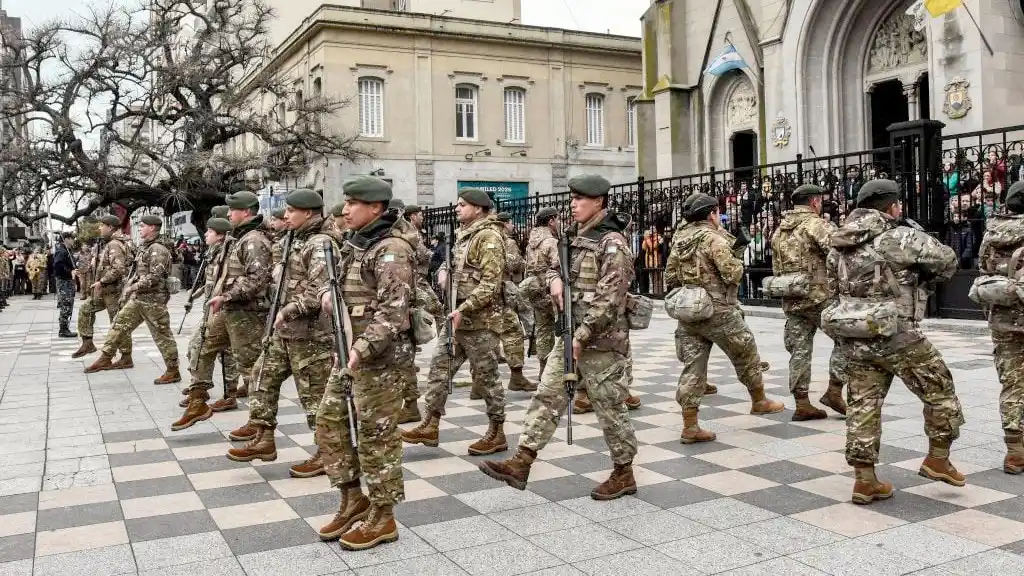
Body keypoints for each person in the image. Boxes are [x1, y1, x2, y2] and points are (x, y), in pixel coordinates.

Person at [477, 174, 639, 499]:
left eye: (580, 199)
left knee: (609, 407)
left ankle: (624, 472)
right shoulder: (572, 236)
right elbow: (556, 267)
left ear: (599, 202)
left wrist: (583, 334)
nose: (573, 204)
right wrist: (554, 279)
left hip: (601, 341)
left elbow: (611, 298)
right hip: (570, 333)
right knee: (548, 394)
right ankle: (522, 461)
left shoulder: (612, 243)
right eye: (572, 198)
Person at [827, 179, 965, 504]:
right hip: (898, 334)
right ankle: (938, 458)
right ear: (891, 206)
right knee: (940, 390)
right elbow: (948, 261)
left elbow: (833, 285)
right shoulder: (901, 236)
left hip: (857, 334)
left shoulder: (840, 243)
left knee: (863, 403)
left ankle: (865, 480)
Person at [316, 176, 415, 550]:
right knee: (330, 422)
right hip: (350, 355)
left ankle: (383, 516)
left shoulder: (391, 250)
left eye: (353, 203)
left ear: (375, 207)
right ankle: (352, 498)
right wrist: (328, 296)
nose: (345, 210)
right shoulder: (356, 245)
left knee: (376, 436)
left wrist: (360, 348)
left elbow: (393, 312)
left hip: (380, 360)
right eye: (346, 202)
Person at [226, 189, 344, 479]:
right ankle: (264, 438)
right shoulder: (293, 238)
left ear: (308, 213)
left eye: (291, 211)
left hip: (311, 335)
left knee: (315, 399)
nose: (285, 215)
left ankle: (328, 454)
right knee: (260, 377)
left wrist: (289, 310)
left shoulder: (320, 243)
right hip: (285, 331)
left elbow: (320, 291)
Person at [665, 193, 785, 444]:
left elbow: (670, 277)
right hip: (719, 310)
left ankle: (690, 425)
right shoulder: (714, 239)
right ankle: (759, 401)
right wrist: (736, 258)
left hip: (690, 311)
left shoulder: (680, 240)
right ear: (712, 214)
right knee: (746, 352)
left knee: (693, 368)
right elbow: (732, 274)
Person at [401, 188, 508, 455]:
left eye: (463, 205)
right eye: (457, 204)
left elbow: (491, 285)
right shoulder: (463, 234)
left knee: (487, 377)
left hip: (480, 321)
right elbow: (456, 266)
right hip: (456, 318)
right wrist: (443, 271)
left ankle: (497, 432)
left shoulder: (489, 237)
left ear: (479, 209)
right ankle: (430, 423)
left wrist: (465, 308)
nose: (457, 208)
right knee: (439, 368)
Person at [768, 184, 847, 420]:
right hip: (819, 296)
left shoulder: (780, 230)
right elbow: (838, 255)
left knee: (799, 350)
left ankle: (802, 403)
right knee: (847, 338)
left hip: (792, 296)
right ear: (814, 202)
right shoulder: (816, 225)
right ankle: (834, 391)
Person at [85, 215, 180, 384]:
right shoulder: (145, 247)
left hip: (154, 301)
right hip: (139, 299)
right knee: (119, 324)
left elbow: (155, 277)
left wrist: (133, 287)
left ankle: (173, 370)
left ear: (152, 228)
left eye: (143, 226)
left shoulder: (158, 249)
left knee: (162, 335)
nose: (140, 228)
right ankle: (106, 357)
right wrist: (131, 285)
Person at [976, 180, 1024, 474]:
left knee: (1012, 384)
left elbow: (983, 270)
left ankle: (1015, 452)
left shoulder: (992, 233)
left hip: (1004, 317)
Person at [72, 215, 133, 365]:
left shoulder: (115, 244)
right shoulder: (110, 244)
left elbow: (118, 269)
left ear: (110, 227)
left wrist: (102, 281)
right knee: (86, 309)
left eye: (102, 225)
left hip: (114, 292)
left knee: (118, 323)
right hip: (105, 291)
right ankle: (88, 343)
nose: (100, 228)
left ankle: (126, 356)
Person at [495, 212, 535, 393]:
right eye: (511, 222)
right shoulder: (506, 241)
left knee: (481, 338)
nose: (513, 226)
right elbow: (513, 265)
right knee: (513, 331)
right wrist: (520, 261)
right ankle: (517, 377)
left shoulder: (472, 237)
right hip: (504, 289)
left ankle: (478, 383)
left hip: (487, 293)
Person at [522, 208, 560, 382]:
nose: (559, 223)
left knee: (543, 330)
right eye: (558, 219)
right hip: (550, 289)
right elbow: (558, 265)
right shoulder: (551, 242)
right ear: (551, 221)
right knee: (565, 328)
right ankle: (560, 368)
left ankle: (543, 368)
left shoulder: (531, 243)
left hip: (535, 290)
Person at [53, 232, 78, 338]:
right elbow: (58, 266)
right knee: (66, 304)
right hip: (64, 281)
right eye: (72, 238)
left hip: (68, 281)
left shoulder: (67, 250)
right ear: (66, 239)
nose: (73, 240)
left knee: (69, 304)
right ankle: (63, 329)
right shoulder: (61, 251)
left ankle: (65, 327)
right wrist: (69, 272)